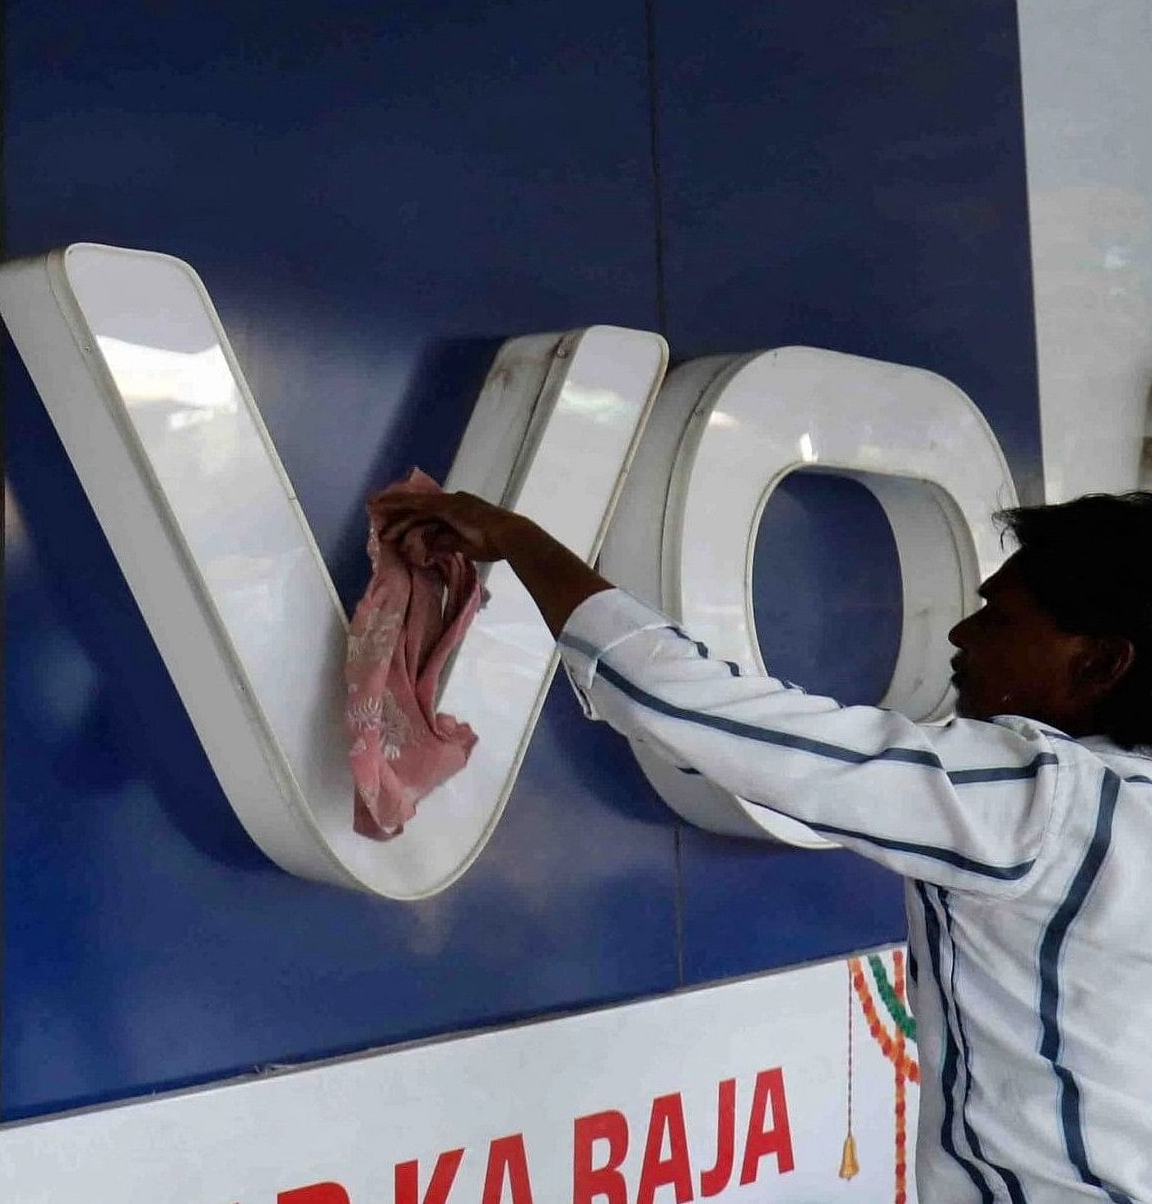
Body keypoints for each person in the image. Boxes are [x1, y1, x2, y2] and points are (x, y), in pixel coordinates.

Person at [373, 487, 1152, 1204]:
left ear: (1099, 663)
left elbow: (688, 704)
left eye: (1000, 618)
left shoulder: (1043, 800)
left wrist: (518, 538)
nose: (960, 633)